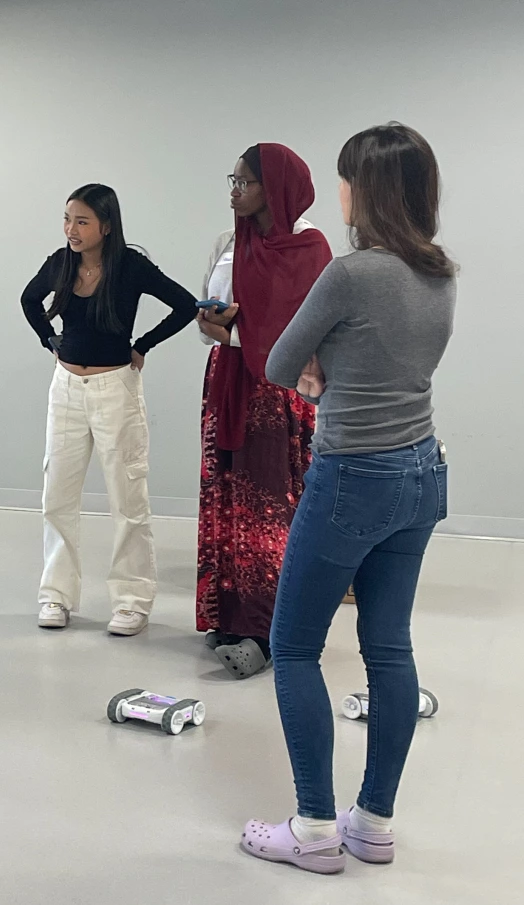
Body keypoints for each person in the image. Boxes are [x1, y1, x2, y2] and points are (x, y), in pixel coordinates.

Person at [242, 123, 456, 873]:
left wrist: (312, 371)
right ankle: (371, 822)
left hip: (351, 477)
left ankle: (310, 829)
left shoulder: (351, 272)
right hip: (421, 474)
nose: (337, 193)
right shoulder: (439, 273)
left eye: (343, 180)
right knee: (389, 647)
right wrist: (325, 369)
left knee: (296, 645)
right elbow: (388, 361)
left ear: (364, 192)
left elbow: (276, 362)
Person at [21, 184, 198, 635]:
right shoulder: (61, 263)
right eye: (67, 219)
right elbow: (28, 300)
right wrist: (49, 340)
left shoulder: (131, 266)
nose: (71, 229)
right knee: (57, 495)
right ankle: (56, 596)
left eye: (81, 221)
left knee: (128, 497)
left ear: (106, 225)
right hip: (65, 389)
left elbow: (184, 305)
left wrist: (143, 346)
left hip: (115, 388)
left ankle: (132, 600)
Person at [194, 145, 332, 678]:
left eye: (246, 181)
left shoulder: (310, 248)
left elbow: (305, 332)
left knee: (270, 508)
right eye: (233, 179)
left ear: (275, 187)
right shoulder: (231, 243)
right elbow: (209, 319)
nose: (235, 190)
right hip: (227, 383)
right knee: (225, 494)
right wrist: (214, 326)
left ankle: (268, 628)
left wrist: (235, 331)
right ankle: (228, 616)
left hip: (277, 391)